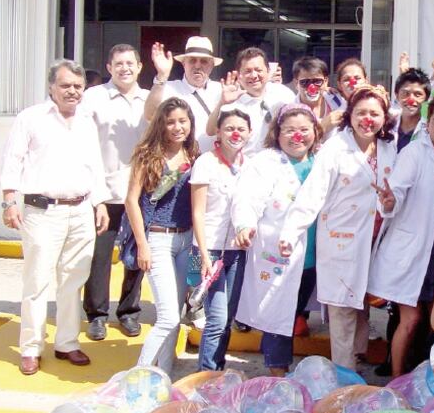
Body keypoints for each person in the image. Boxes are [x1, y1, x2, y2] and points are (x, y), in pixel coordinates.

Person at [0, 60, 110, 375]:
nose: (72, 91)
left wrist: (100, 203)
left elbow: (95, 166)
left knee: (73, 279)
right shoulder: (31, 118)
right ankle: (31, 348)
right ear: (52, 87)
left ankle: (67, 343)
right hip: (42, 211)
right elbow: (13, 160)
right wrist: (9, 201)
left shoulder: (87, 121)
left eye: (77, 86)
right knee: (37, 282)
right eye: (65, 86)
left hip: (81, 210)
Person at [279, 86, 397, 370]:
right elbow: (313, 193)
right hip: (341, 240)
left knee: (362, 307)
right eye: (361, 113)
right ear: (350, 114)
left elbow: (395, 194)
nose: (367, 119)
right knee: (343, 308)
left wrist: (392, 203)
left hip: (377, 240)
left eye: (374, 113)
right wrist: (291, 231)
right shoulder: (335, 147)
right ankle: (343, 376)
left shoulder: (388, 147)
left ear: (384, 117)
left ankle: (356, 361)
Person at [370, 95, 434, 377]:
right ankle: (399, 380)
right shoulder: (415, 153)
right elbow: (396, 190)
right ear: (428, 124)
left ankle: (428, 379)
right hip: (413, 250)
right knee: (410, 320)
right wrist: (388, 202)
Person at [233, 104, 324, 375]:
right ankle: (277, 372)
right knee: (277, 310)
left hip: (313, 254)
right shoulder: (266, 162)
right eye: (290, 131)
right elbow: (247, 197)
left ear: (315, 132)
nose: (297, 137)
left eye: (304, 130)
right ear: (277, 133)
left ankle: (278, 359)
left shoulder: (322, 161)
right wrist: (245, 224)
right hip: (276, 251)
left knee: (292, 310)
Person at [124, 97, 199, 371]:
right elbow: (131, 200)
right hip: (157, 239)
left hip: (186, 240)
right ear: (161, 124)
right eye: (170, 122)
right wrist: (142, 245)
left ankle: (164, 374)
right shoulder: (147, 154)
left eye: (182, 121)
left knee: (177, 315)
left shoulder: (194, 155)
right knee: (167, 317)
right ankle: (139, 375)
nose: (177, 127)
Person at [79, 44, 148, 342]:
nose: (125, 68)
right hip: (104, 192)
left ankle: (129, 311)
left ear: (139, 66)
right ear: (109, 67)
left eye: (130, 63)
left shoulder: (149, 100)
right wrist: (95, 198)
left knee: (135, 255)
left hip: (141, 192)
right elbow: (82, 145)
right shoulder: (93, 98)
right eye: (118, 63)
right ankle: (96, 315)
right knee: (100, 256)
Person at [190, 109, 252, 371]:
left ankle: (218, 368)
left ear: (250, 134)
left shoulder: (250, 165)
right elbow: (197, 211)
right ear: (218, 132)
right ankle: (205, 375)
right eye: (229, 128)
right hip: (208, 250)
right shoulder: (206, 162)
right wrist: (203, 255)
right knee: (216, 317)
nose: (235, 133)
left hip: (236, 250)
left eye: (241, 128)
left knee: (228, 317)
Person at [207, 47, 295, 153]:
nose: (254, 76)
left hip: (278, 163)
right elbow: (211, 131)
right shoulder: (230, 100)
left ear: (268, 71)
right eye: (248, 71)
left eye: (258, 70)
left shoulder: (283, 94)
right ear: (239, 76)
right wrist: (222, 103)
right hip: (243, 164)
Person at [146, 36, 224, 152]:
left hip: (212, 163)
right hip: (179, 165)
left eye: (203, 61)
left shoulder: (222, 90)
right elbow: (150, 115)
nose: (197, 66)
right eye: (192, 60)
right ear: (183, 64)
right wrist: (161, 76)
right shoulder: (167, 87)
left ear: (212, 65)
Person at [291, 56, 343, 139]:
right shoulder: (290, 111)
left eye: (317, 81)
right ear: (296, 84)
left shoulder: (338, 101)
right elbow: (294, 142)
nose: (312, 87)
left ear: (326, 82)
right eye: (304, 82)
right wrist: (322, 127)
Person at [392, 68, 430, 152]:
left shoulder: (430, 131)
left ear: (426, 99)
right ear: (397, 95)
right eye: (405, 93)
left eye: (418, 94)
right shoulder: (387, 125)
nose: (411, 100)